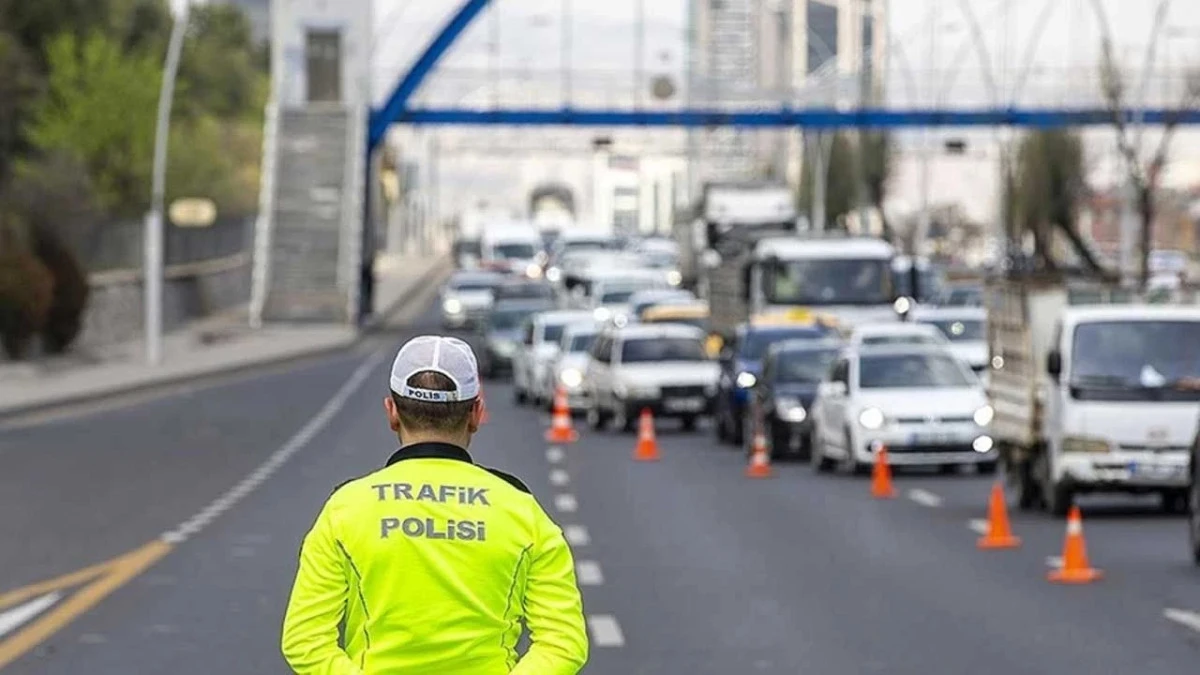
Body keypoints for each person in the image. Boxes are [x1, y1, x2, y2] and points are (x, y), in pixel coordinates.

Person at [281, 336, 589, 674]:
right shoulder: (522, 511)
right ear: (476, 413)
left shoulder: (346, 509)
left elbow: (304, 640)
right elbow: (563, 642)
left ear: (392, 412)